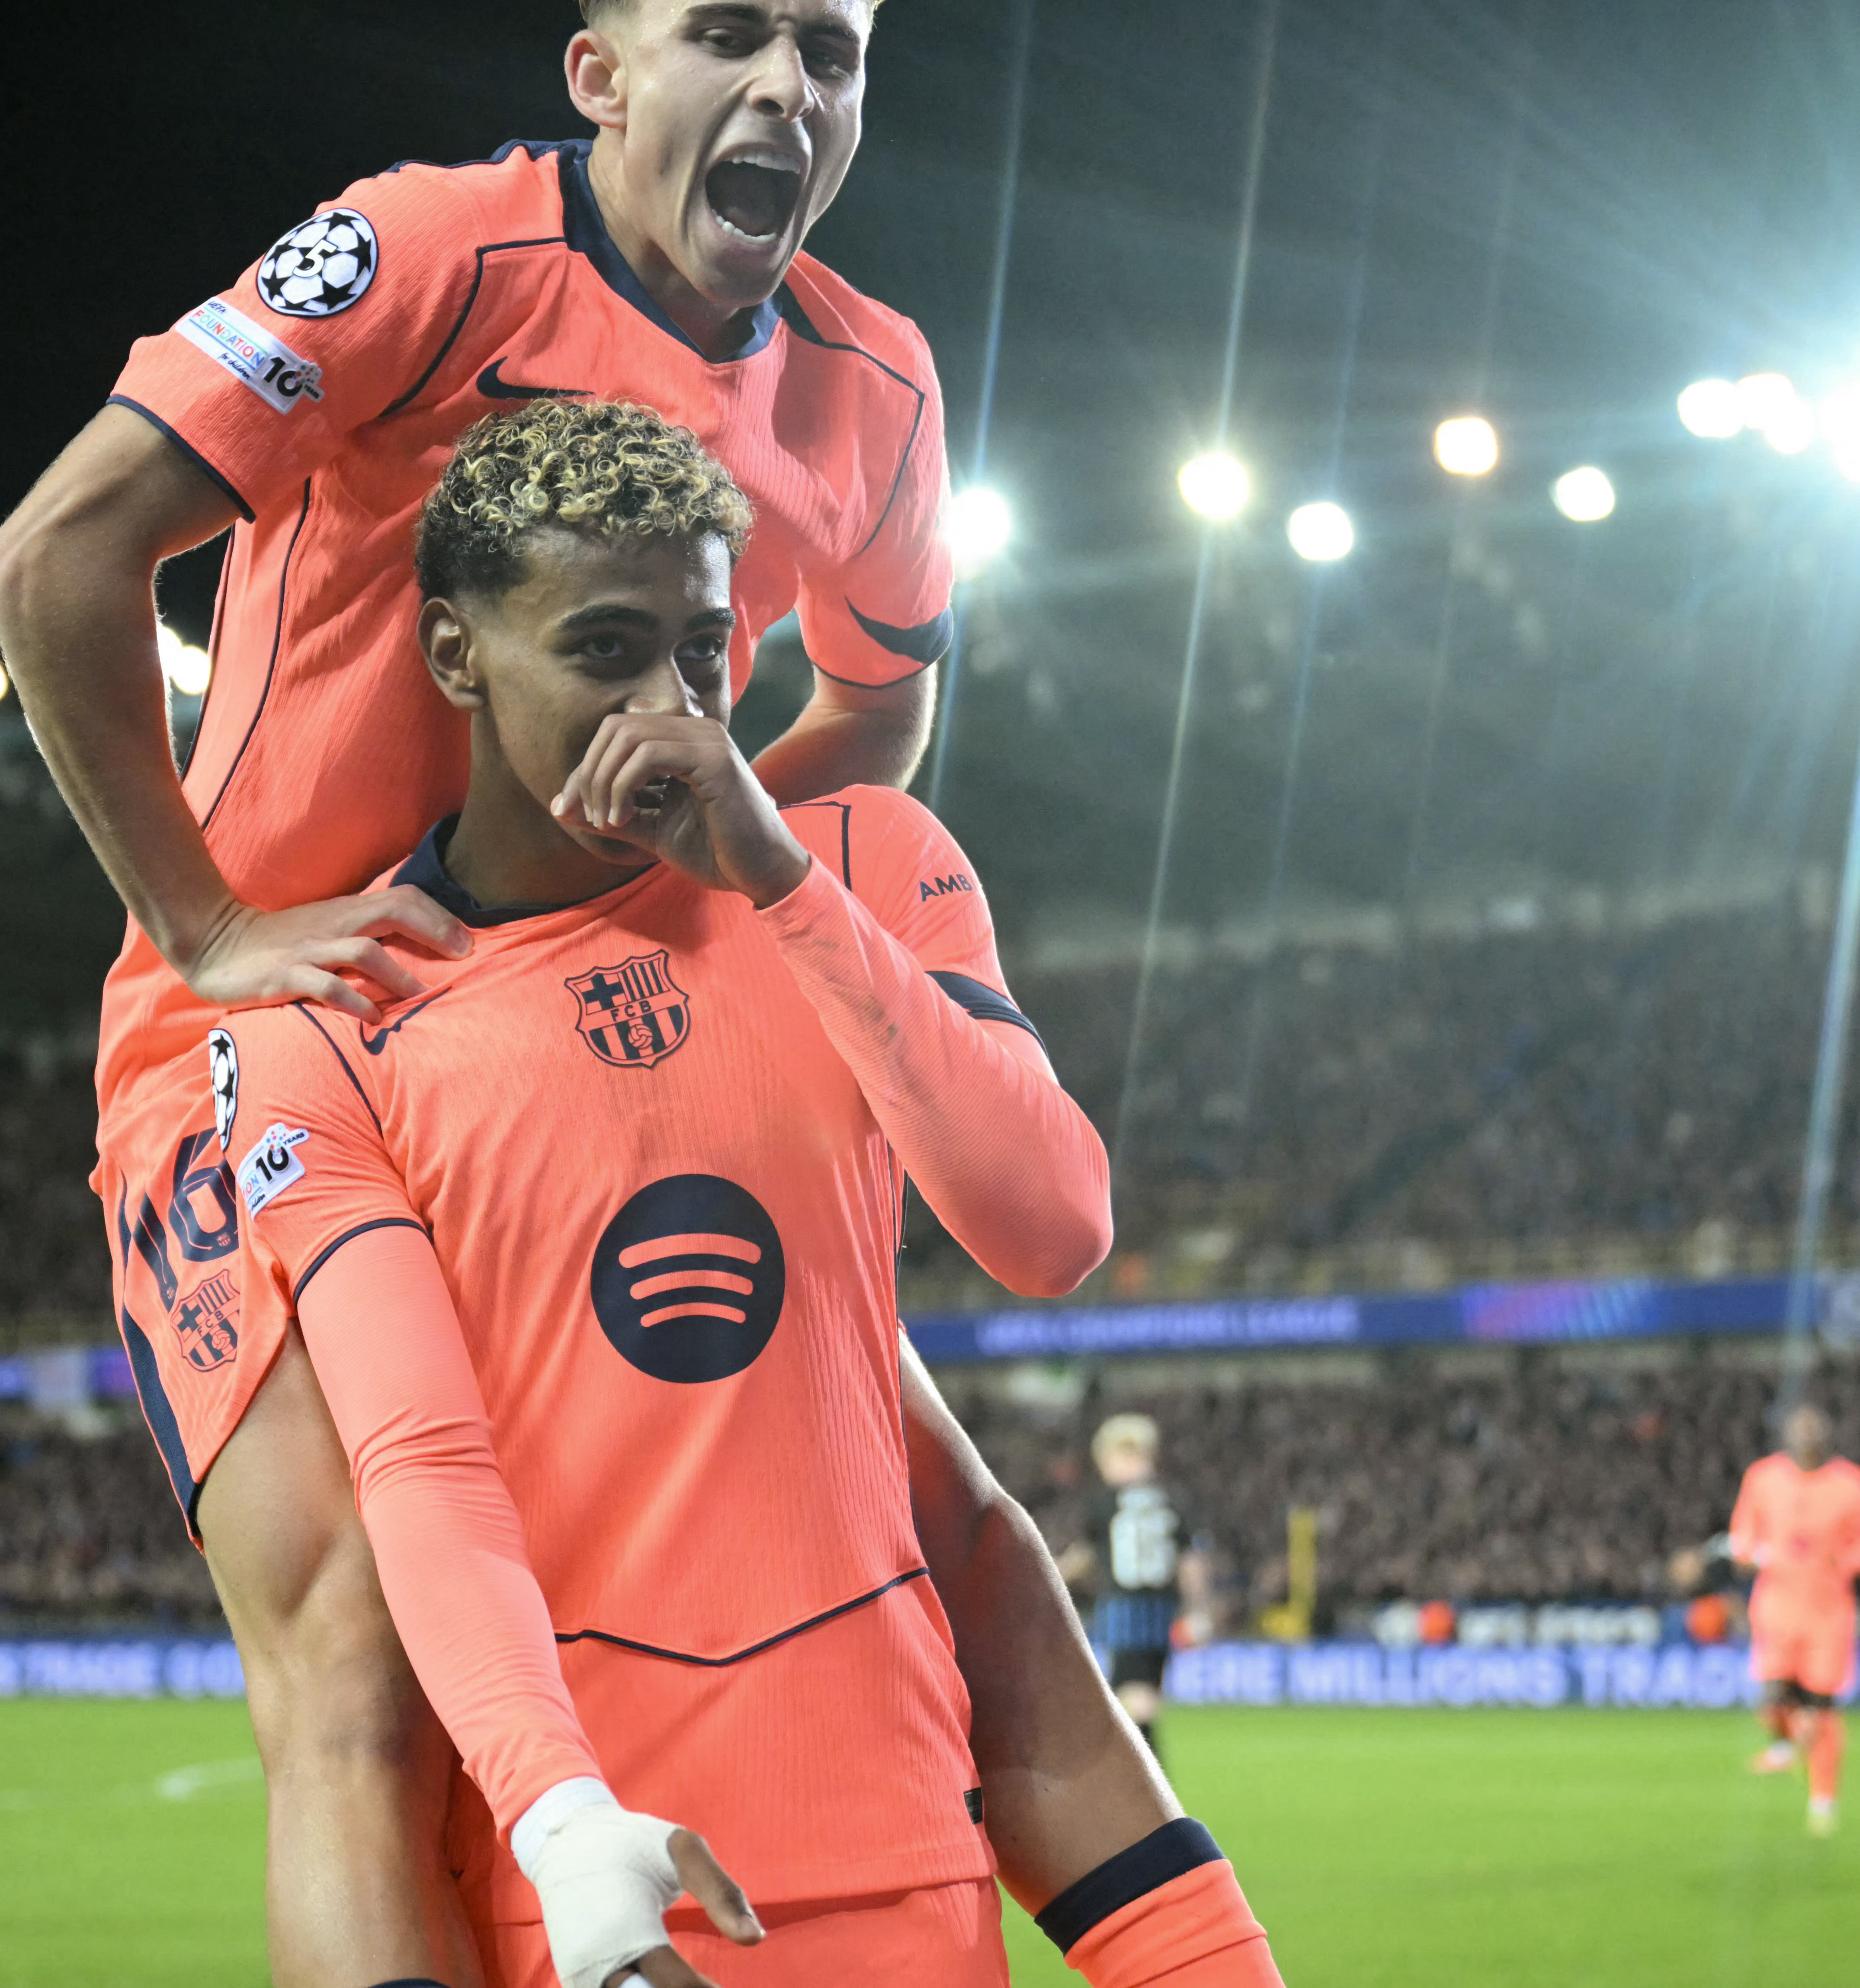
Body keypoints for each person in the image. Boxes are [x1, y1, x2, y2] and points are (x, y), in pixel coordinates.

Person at [0, 0, 1190, 1982]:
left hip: (581, 1034)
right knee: (360, 1653)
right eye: (722, 34)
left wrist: (707, 890)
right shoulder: (428, 254)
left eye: (826, 52)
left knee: (962, 1542)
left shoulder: (875, 381)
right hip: (292, 1037)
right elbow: (56, 554)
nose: (784, 94)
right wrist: (204, 931)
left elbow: (879, 703)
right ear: (596, 72)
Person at [226, 403, 1276, 1988]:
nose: (670, 705)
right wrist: (573, 1850)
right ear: (455, 653)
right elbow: (424, 1467)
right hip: (621, 1904)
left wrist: (781, 881)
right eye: (602, 646)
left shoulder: (866, 852)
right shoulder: (329, 1019)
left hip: (917, 1858)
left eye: (704, 648)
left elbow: (1051, 1224)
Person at [1727, 1401, 1860, 1836]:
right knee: (1772, 1700)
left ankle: (1823, 1800)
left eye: (1814, 1427)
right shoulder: (1762, 1478)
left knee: (1822, 1711)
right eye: (1799, 1428)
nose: (1807, 1435)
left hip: (1827, 1615)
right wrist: (1746, 1552)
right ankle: (1785, 1743)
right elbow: (1744, 1533)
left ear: (1827, 1435)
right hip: (1775, 1609)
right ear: (1787, 1435)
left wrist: (1846, 1558)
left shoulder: (1854, 1484)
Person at [1061, 1415, 1185, 1760]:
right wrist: (1200, 1609)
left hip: (1123, 1611)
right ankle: (1150, 1791)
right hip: (1161, 1612)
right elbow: (1190, 1561)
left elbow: (1085, 1554)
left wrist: (1052, 1576)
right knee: (1142, 1695)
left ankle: (1152, 1792)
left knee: (1132, 1703)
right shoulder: (1173, 1500)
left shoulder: (1107, 1502)